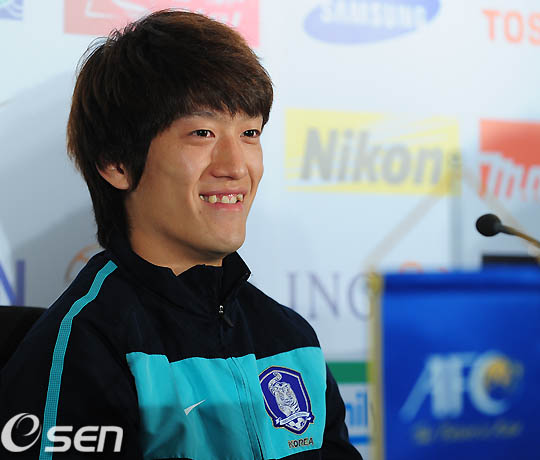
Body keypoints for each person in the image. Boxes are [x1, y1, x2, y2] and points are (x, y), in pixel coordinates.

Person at [0, 10, 363, 459]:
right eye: (202, 132)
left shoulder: (290, 338)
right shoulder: (85, 343)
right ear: (116, 163)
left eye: (250, 132)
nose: (235, 166)